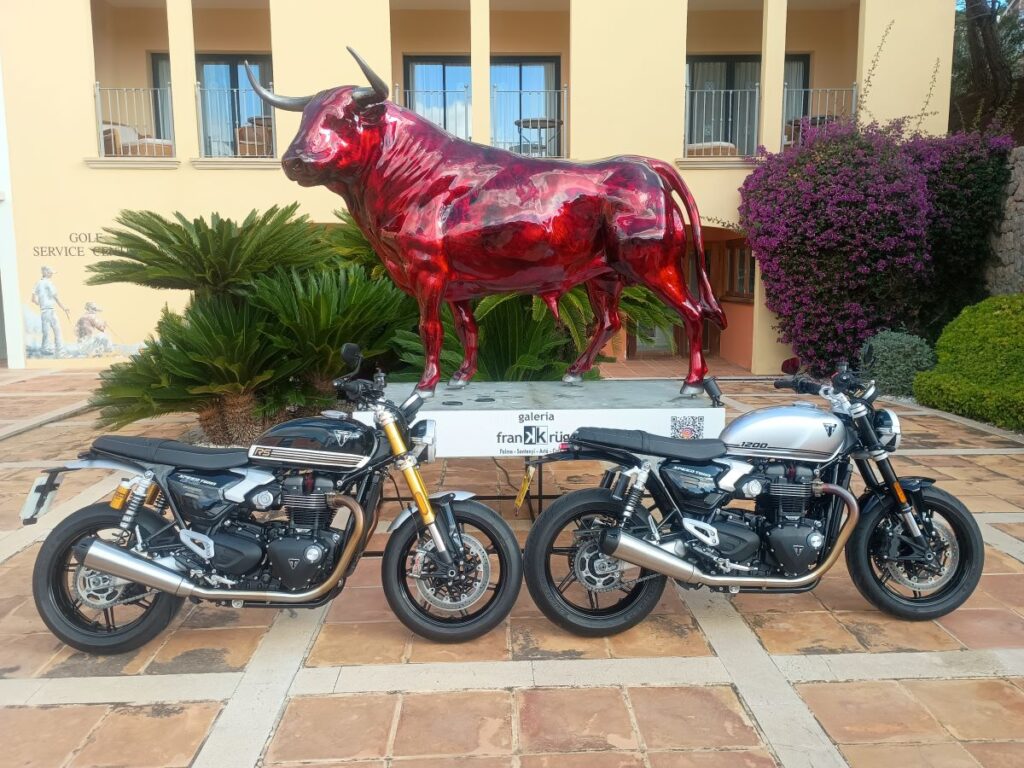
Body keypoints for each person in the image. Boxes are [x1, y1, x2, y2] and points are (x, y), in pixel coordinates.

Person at [31, 266, 69, 357]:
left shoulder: (37, 283)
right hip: (50, 310)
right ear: (45, 273)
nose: (52, 274)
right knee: (57, 331)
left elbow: (33, 299)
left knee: (46, 332)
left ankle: (45, 349)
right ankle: (60, 352)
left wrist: (41, 303)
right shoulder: (49, 283)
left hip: (43, 311)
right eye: (50, 272)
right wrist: (64, 308)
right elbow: (55, 297)